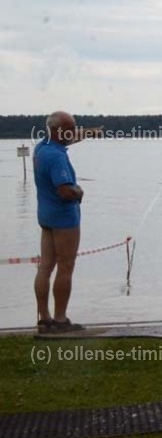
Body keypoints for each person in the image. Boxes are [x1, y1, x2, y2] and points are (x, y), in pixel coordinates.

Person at [34, 111, 89, 334]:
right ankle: (60, 319)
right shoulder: (57, 157)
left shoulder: (42, 148)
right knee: (66, 267)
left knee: (45, 267)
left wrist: (89, 133)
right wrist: (79, 191)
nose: (74, 132)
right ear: (58, 130)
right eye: (71, 128)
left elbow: (69, 139)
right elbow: (65, 190)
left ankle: (44, 318)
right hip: (63, 219)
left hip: (45, 216)